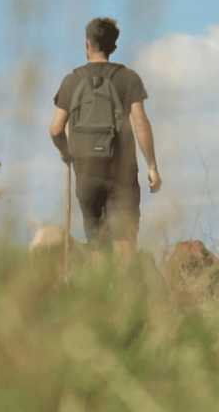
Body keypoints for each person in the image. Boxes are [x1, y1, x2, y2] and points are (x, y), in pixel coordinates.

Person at [49, 17, 161, 263]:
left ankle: (102, 296)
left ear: (87, 44)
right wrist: (152, 166)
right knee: (124, 249)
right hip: (122, 175)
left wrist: (66, 153)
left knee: (97, 247)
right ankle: (123, 296)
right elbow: (140, 122)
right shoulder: (128, 78)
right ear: (114, 47)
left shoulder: (71, 81)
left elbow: (56, 129)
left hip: (86, 175)